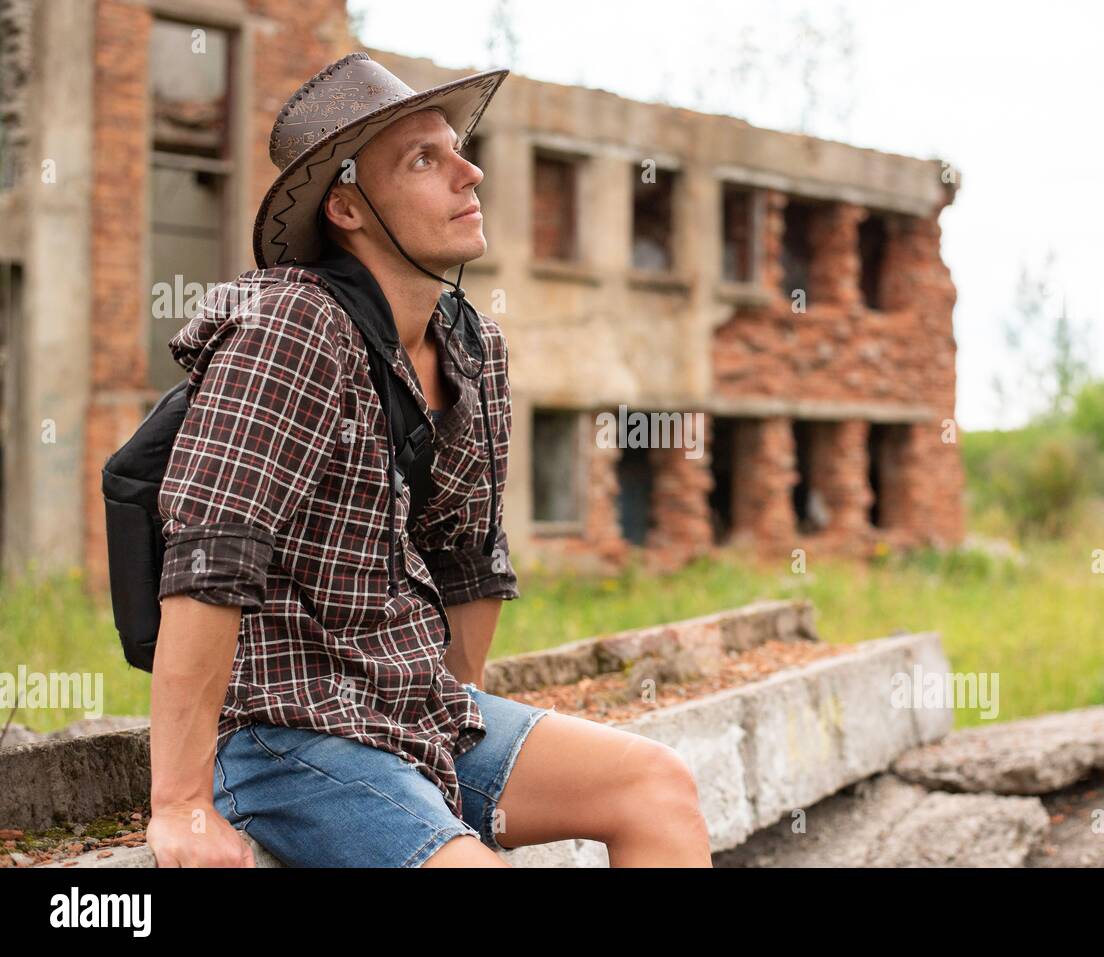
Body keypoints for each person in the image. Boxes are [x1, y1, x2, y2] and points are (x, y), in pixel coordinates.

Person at [145, 52, 711, 868]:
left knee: (655, 785)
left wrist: (448, 764)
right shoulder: (291, 327)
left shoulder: (472, 345)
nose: (469, 173)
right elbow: (208, 555)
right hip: (286, 738)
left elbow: (470, 561)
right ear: (347, 206)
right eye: (424, 159)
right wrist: (182, 804)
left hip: (416, 714)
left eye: (458, 148)